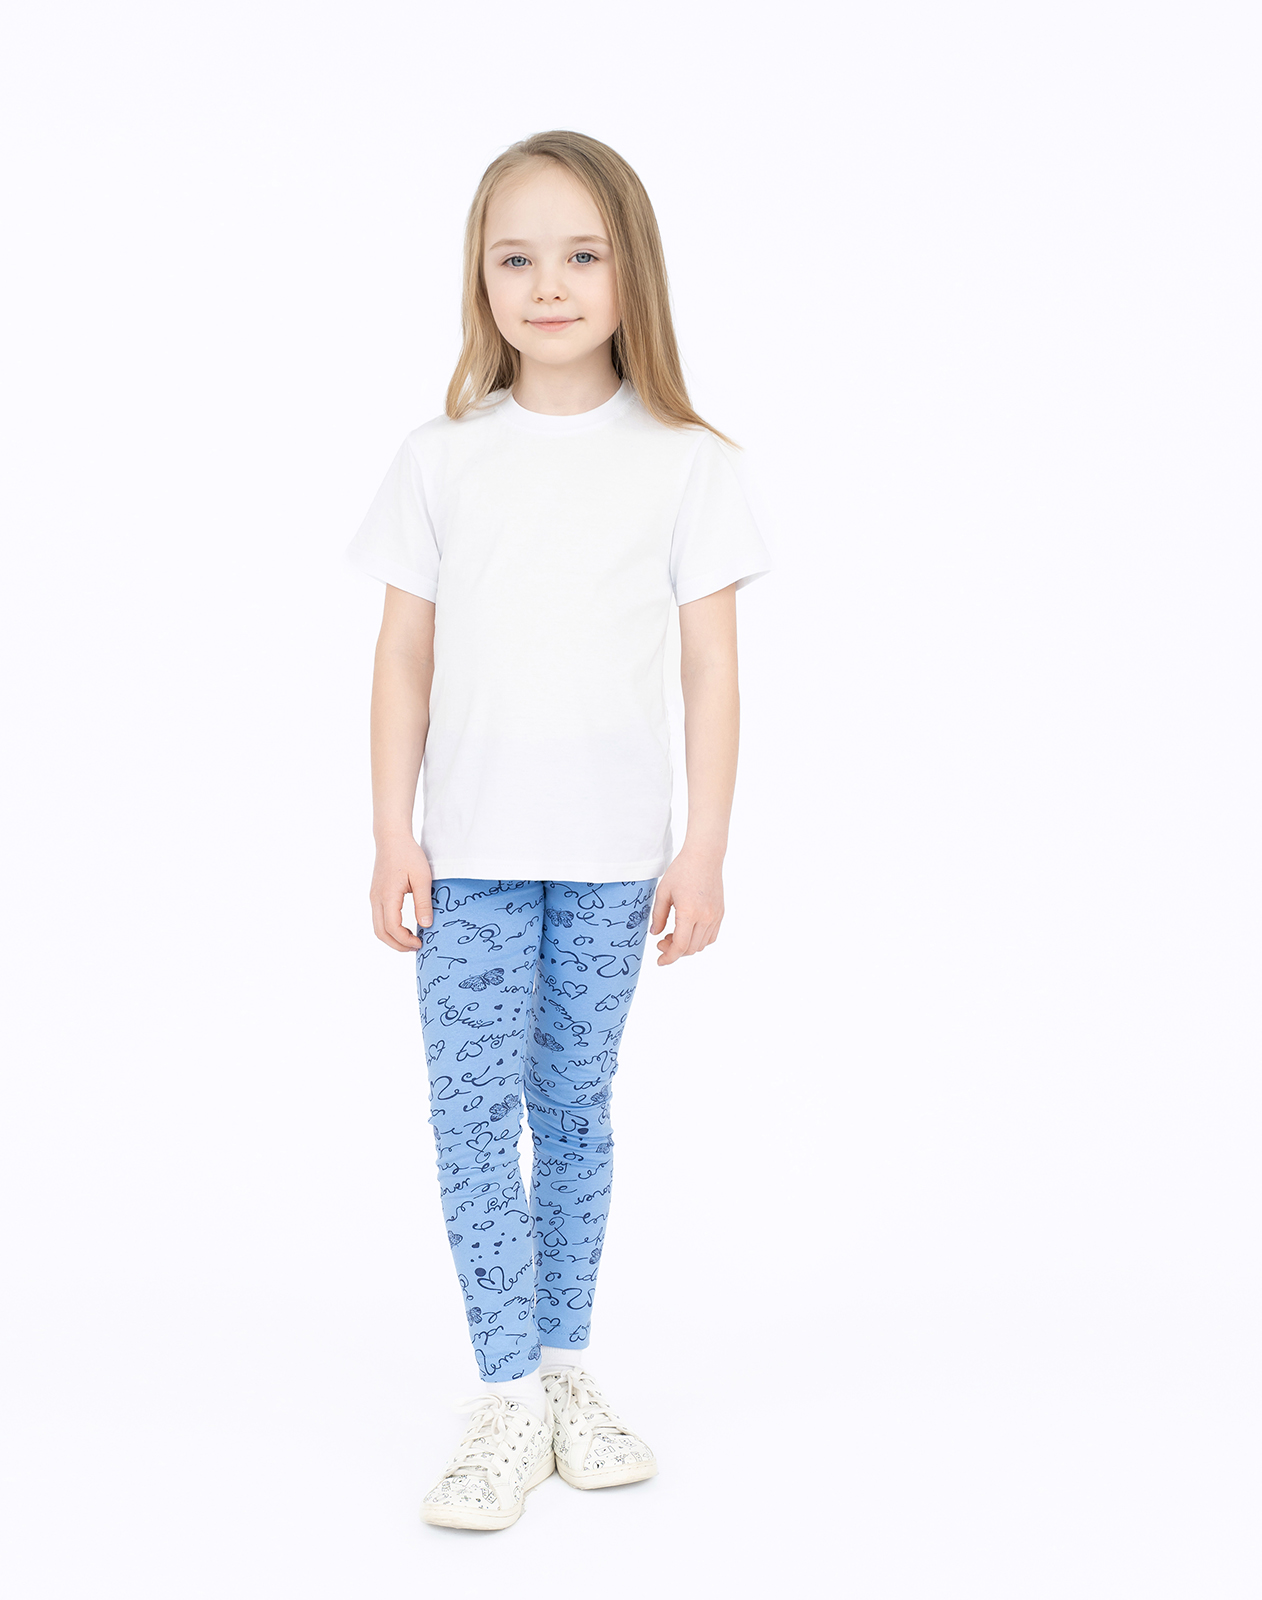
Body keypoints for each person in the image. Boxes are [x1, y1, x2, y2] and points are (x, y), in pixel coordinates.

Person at [347, 129, 771, 1531]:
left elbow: (712, 669)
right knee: (472, 1114)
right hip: (467, 859)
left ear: (630, 269)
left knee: (573, 1110)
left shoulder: (687, 464)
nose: (548, 285)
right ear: (480, 279)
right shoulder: (440, 459)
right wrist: (392, 833)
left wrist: (704, 848)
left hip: (611, 862)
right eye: (516, 257)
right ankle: (504, 1393)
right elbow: (402, 658)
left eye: (581, 255)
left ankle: (567, 1368)